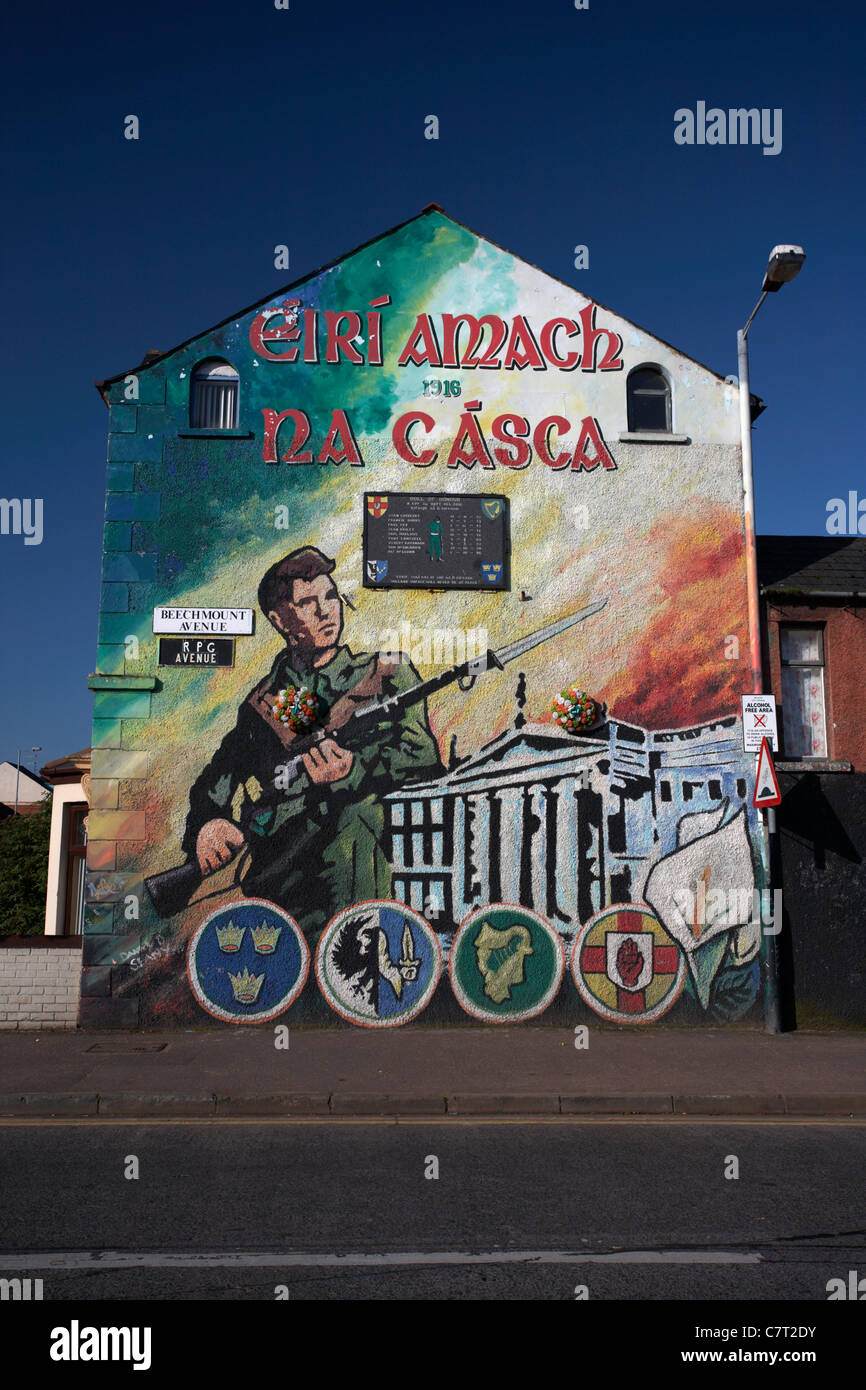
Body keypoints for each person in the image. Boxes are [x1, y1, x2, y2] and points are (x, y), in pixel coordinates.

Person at [180, 546, 444, 936]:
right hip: (283, 885)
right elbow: (218, 778)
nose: (326, 611)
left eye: (332, 597)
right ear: (280, 620)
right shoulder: (265, 705)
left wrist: (353, 771)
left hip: (366, 876)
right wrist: (208, 823)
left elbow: (422, 759)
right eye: (307, 603)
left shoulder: (386, 675)